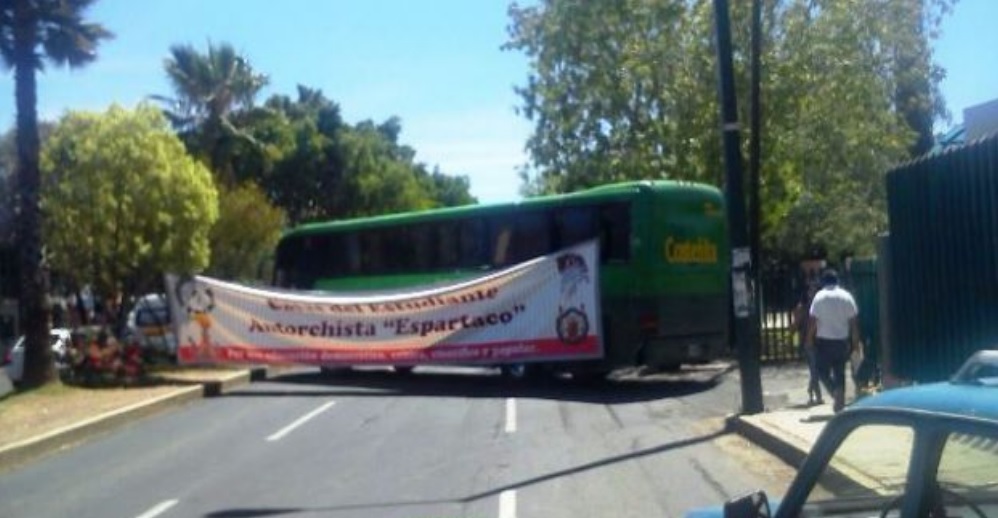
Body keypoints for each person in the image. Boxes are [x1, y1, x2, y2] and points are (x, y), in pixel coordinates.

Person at [806, 268, 860, 413]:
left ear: (823, 282)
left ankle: (835, 393)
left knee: (821, 370)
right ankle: (840, 403)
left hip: (824, 342)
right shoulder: (847, 297)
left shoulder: (819, 297)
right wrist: (855, 343)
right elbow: (853, 323)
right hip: (842, 341)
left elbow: (813, 321)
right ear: (837, 281)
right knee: (839, 371)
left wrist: (809, 339)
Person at [792, 282, 822, 405]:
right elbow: (794, 326)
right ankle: (818, 395)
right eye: (810, 291)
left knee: (818, 369)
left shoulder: (820, 305)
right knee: (815, 369)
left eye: (814, 291)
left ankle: (811, 389)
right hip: (808, 342)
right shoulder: (802, 308)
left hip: (820, 340)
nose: (812, 293)